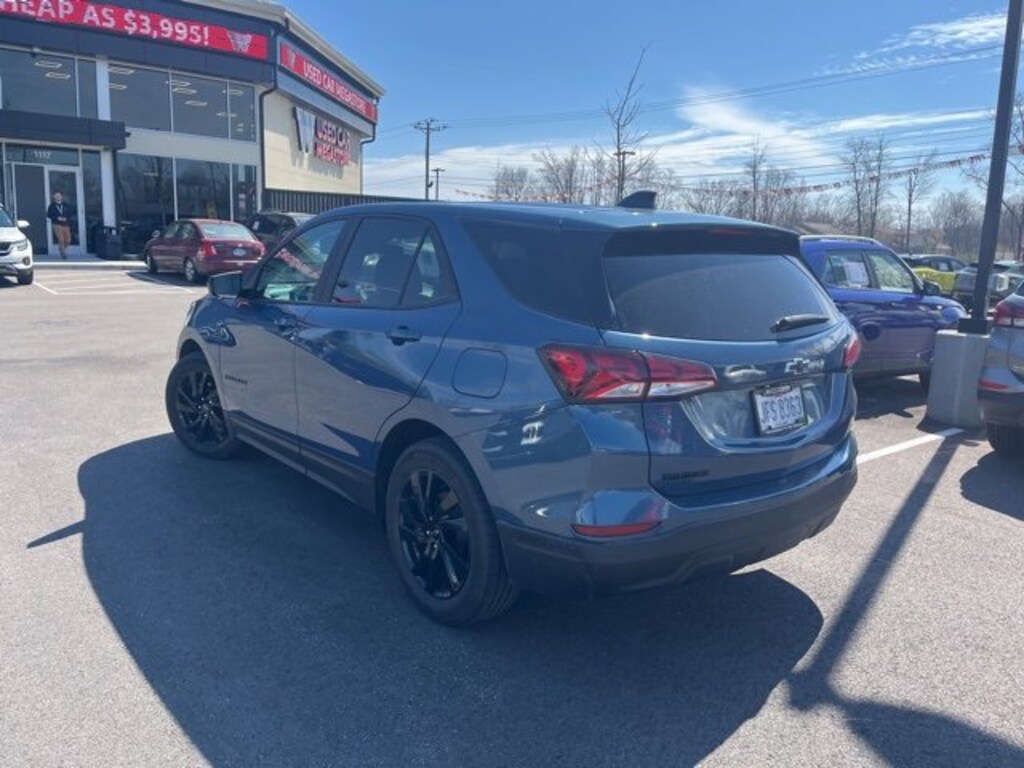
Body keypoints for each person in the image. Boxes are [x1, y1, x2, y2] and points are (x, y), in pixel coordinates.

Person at [46, 192, 73, 259]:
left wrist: (66, 218)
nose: (58, 197)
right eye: (56, 196)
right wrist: (57, 218)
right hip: (57, 224)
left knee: (68, 240)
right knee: (61, 239)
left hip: (66, 224)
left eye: (59, 196)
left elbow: (70, 214)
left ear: (61, 197)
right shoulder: (51, 206)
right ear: (54, 198)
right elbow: (49, 215)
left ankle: (61, 248)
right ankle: (63, 254)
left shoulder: (66, 205)